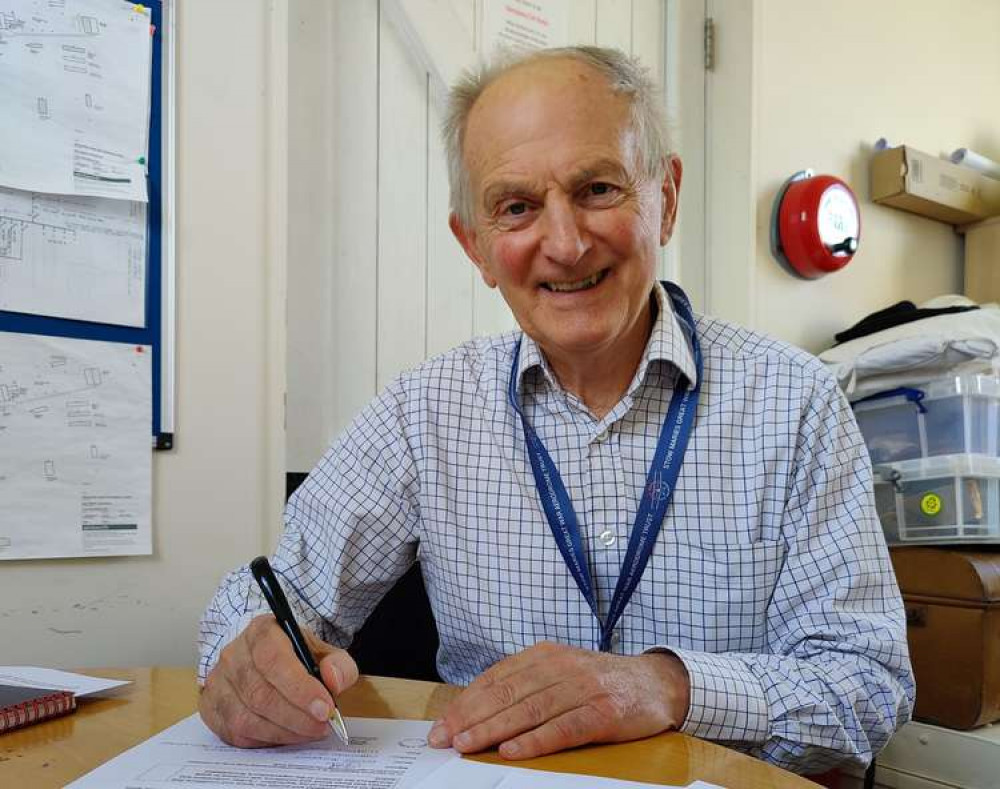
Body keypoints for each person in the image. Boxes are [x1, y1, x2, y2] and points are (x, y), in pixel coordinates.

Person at [197, 45, 913, 774]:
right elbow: (267, 601)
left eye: (598, 188)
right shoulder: (422, 413)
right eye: (517, 207)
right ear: (475, 245)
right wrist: (247, 662)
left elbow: (869, 685)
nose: (566, 244)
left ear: (665, 197)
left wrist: (668, 684)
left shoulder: (795, 403)